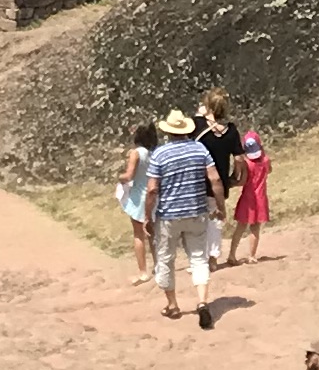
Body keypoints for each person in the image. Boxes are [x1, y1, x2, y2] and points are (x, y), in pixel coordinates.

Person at [140, 108, 224, 326]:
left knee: (166, 259)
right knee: (198, 258)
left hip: (169, 215)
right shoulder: (200, 149)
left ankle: (173, 304)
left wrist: (147, 216)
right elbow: (215, 179)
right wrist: (220, 206)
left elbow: (152, 189)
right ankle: (202, 301)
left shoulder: (160, 154)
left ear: (168, 132)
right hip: (197, 211)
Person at [114, 127, 159, 281]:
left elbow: (129, 175)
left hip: (138, 196)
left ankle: (143, 272)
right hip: (153, 195)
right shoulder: (154, 153)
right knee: (152, 233)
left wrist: (119, 177)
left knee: (138, 235)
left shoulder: (136, 153)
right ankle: (158, 266)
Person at [225, 125, 270, 264]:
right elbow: (269, 171)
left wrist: (231, 183)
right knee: (255, 228)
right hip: (260, 198)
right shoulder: (266, 160)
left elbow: (243, 181)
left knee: (240, 227)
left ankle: (232, 255)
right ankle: (252, 255)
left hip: (247, 198)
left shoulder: (247, 163)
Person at [193, 87, 241, 215]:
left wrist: (203, 112)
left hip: (197, 186)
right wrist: (234, 177)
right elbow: (239, 159)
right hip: (220, 187)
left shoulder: (197, 125)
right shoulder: (231, 131)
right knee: (215, 223)